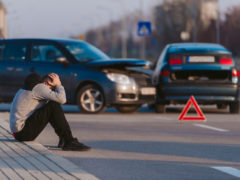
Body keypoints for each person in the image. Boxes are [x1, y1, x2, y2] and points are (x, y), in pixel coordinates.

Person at [9, 73, 91, 151]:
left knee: (51, 105)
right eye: (52, 89)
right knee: (53, 104)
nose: (52, 92)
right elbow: (62, 99)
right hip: (23, 133)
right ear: (47, 83)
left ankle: (64, 139)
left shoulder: (27, 88)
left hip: (19, 133)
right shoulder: (40, 87)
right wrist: (59, 85)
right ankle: (68, 141)